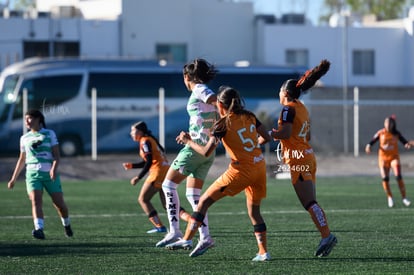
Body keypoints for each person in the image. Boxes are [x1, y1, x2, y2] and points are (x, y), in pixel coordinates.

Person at [165, 86, 272, 261]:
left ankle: (186, 240)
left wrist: (188, 140)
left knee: (203, 202)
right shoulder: (249, 116)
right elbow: (266, 137)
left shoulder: (222, 124)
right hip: (259, 167)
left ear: (221, 105)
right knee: (254, 212)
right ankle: (263, 252)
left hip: (240, 171)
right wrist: (252, 147)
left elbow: (206, 152)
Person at [268, 60, 337, 257]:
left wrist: (272, 134)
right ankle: (326, 235)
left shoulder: (288, 108)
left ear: (286, 93)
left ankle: (327, 236)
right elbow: (304, 135)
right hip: (307, 155)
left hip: (299, 159)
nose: (279, 93)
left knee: (309, 202)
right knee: (311, 201)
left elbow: (286, 131)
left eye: (280, 90)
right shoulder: (302, 107)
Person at [156, 58, 218, 257]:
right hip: (207, 150)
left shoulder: (199, 89)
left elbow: (216, 101)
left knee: (168, 185)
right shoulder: (201, 90)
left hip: (195, 150)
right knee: (193, 196)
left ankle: (174, 231)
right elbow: (210, 113)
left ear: (186, 77)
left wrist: (191, 139)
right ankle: (205, 237)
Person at [7, 109, 73, 240]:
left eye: (29, 118)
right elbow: (22, 159)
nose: (26, 121)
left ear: (38, 119)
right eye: (25, 119)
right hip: (32, 174)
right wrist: (13, 178)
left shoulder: (49, 134)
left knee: (59, 204)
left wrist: (53, 169)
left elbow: (56, 155)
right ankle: (39, 229)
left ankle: (67, 225)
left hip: (49, 174)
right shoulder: (24, 138)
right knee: (36, 201)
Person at [122, 121, 191, 233]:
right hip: (165, 171)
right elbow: (150, 160)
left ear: (140, 131)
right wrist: (132, 166)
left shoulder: (144, 141)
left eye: (133, 131)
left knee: (143, 199)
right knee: (167, 204)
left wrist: (138, 177)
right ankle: (191, 220)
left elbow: (149, 162)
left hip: (157, 173)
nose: (131, 133)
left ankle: (159, 226)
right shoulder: (150, 139)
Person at [365, 115, 411, 208]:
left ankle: (404, 198)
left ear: (393, 124)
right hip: (383, 159)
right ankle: (390, 197)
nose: (388, 125)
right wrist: (369, 146)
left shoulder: (396, 133)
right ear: (384, 124)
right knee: (385, 178)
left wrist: (407, 145)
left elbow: (404, 142)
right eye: (386, 123)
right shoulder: (381, 133)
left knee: (398, 176)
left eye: (390, 123)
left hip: (394, 158)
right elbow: (372, 141)